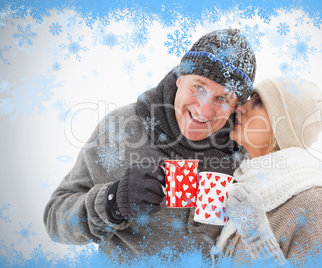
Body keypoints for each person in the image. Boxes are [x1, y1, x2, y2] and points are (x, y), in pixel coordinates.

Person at [43, 29, 256, 263]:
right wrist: (112, 202)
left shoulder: (243, 149)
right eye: (199, 87)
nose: (204, 109)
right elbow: (55, 221)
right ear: (180, 77)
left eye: (222, 98)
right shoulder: (120, 129)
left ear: (235, 106)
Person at [212, 77, 322, 266]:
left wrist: (259, 241)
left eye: (258, 103)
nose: (240, 107)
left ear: (282, 127)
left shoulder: (314, 205)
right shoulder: (241, 182)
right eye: (250, 98)